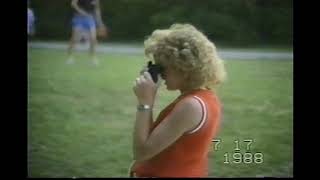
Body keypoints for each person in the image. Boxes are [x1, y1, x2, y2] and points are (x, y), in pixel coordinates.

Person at [130, 23, 227, 177]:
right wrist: (149, 98)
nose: (159, 73)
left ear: (184, 67)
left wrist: (145, 102)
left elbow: (142, 152)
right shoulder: (207, 98)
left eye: (162, 66)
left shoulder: (191, 106)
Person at [66, 0, 107, 65]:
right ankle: (70, 57)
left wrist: (100, 23)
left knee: (93, 39)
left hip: (90, 18)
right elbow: (73, 3)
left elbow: (97, 10)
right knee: (75, 39)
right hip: (78, 18)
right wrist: (82, 12)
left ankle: (93, 58)